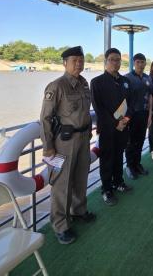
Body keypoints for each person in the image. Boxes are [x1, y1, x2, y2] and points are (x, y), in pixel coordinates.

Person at [40, 46, 95, 245]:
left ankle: (78, 211)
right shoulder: (56, 86)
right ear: (65, 63)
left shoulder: (84, 83)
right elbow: (45, 118)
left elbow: (85, 113)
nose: (78, 64)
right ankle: (60, 225)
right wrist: (48, 146)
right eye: (74, 61)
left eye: (81, 60)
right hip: (64, 142)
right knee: (62, 185)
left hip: (83, 138)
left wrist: (89, 133)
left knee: (80, 177)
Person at [90, 48, 133, 207]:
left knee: (119, 156)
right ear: (106, 61)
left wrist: (126, 119)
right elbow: (99, 109)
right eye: (112, 59)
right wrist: (116, 123)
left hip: (123, 127)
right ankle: (106, 189)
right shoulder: (97, 82)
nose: (115, 62)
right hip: (107, 129)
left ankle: (118, 182)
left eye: (118, 59)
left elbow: (131, 104)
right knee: (107, 159)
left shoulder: (125, 81)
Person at [125, 53, 153, 180]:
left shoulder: (148, 78)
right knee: (130, 142)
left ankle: (137, 164)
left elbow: (151, 96)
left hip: (144, 114)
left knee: (140, 141)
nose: (140, 64)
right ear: (133, 63)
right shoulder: (127, 78)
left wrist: (150, 114)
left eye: (142, 62)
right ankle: (129, 166)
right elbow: (123, 99)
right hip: (131, 115)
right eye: (138, 62)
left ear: (145, 63)